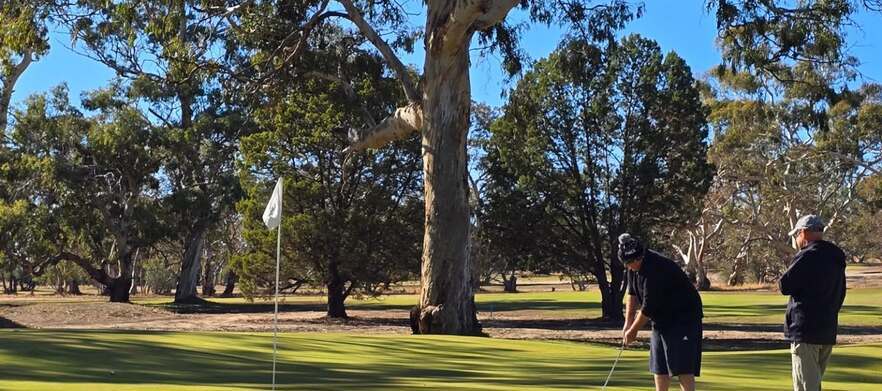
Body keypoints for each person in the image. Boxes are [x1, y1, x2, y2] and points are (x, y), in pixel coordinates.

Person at [620, 233, 703, 391]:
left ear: (642, 255)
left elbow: (648, 307)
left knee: (682, 367)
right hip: (662, 319)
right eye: (629, 262)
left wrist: (633, 331)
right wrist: (627, 322)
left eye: (636, 260)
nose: (633, 264)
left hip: (683, 317)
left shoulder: (656, 268)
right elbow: (631, 294)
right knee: (659, 367)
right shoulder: (631, 265)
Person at [780, 214, 847, 391]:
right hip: (827, 329)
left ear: (803, 232)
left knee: (805, 387)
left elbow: (784, 285)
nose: (796, 238)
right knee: (814, 384)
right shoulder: (836, 257)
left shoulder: (807, 255)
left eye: (797, 235)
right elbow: (841, 294)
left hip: (805, 330)